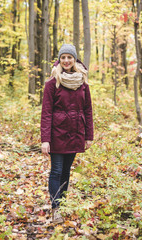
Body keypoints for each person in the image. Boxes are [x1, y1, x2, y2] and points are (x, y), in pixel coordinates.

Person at [41, 44, 94, 223]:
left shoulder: (83, 83)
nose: (66, 61)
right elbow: (46, 113)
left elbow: (88, 110)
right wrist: (45, 140)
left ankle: (62, 205)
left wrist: (89, 136)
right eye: (63, 57)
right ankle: (56, 208)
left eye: (69, 57)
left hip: (76, 131)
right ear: (59, 60)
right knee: (56, 170)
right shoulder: (51, 83)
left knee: (66, 172)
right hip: (57, 133)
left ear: (74, 59)